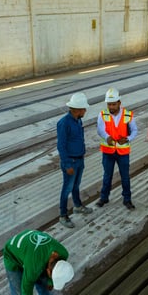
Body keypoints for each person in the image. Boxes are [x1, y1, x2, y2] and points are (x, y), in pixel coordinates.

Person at [96, 87, 139, 210]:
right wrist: (107, 137)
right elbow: (100, 129)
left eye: (114, 104)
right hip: (108, 151)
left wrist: (128, 139)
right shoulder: (102, 114)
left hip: (123, 152)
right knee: (107, 175)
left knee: (125, 176)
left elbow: (135, 130)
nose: (111, 107)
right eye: (109, 104)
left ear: (119, 103)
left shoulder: (128, 115)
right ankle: (104, 197)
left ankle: (127, 199)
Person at [57, 92, 94, 228]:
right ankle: (63, 215)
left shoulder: (78, 120)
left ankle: (77, 206)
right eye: (84, 109)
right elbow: (61, 146)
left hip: (79, 159)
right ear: (78, 109)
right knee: (67, 189)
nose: (85, 111)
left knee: (76, 186)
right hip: (71, 162)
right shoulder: (64, 123)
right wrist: (67, 165)